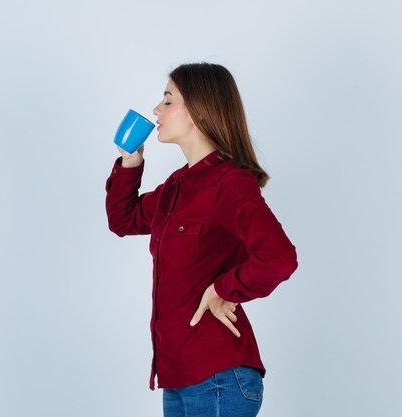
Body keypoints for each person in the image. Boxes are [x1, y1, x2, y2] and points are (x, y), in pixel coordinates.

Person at [104, 62, 298, 417]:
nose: (155, 110)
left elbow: (278, 257)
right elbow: (123, 220)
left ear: (197, 109)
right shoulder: (178, 186)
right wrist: (129, 163)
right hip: (179, 377)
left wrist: (223, 288)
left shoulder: (229, 183)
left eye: (167, 100)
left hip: (218, 377)